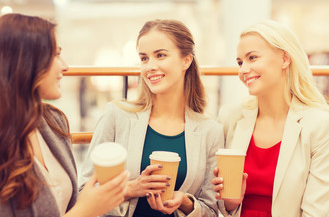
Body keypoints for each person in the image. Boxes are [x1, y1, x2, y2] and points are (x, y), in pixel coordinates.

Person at [0, 13, 128, 217]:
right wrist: (85, 210)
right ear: (23, 62)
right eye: (55, 54)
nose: (65, 66)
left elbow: (67, 203)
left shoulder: (53, 121)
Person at [79, 19, 224, 217]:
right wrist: (131, 189)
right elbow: (83, 193)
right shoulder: (117, 116)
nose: (150, 66)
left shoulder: (210, 130)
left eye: (160, 55)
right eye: (144, 58)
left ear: (186, 60)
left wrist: (185, 201)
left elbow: (212, 211)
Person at [212, 20, 329, 217]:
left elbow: (317, 211)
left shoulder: (319, 125)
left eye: (252, 58)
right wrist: (230, 204)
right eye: (240, 62)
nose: (242, 70)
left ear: (284, 59)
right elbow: (218, 207)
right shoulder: (230, 117)